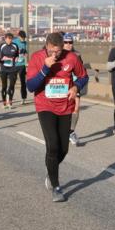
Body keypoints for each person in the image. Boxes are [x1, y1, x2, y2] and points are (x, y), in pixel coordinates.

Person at [26, 32, 87, 203]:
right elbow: (30, 86)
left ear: (62, 47)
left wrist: (76, 87)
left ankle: (50, 170)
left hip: (65, 107)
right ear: (46, 46)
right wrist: (45, 68)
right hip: (45, 106)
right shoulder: (37, 58)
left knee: (63, 149)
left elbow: (83, 76)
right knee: (52, 145)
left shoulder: (72, 58)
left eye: (58, 51)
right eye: (52, 51)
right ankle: (56, 186)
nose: (55, 54)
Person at [63, 33, 91, 145]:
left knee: (76, 107)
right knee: (63, 109)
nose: (68, 44)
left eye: (70, 42)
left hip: (74, 85)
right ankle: (61, 130)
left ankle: (71, 131)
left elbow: (81, 71)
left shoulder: (77, 55)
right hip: (62, 85)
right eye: (66, 42)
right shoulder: (58, 55)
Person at [0, 32, 21, 109]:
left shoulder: (15, 46)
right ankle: (4, 102)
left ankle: (10, 102)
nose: (9, 40)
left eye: (11, 39)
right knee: (4, 86)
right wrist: (2, 59)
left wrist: (17, 58)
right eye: (8, 39)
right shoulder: (1, 46)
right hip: (3, 68)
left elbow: (17, 55)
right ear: (5, 39)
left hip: (12, 68)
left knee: (12, 85)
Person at [12, 30, 29, 105]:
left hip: (22, 65)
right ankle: (10, 98)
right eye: (22, 38)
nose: (23, 39)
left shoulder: (25, 43)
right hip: (14, 65)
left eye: (24, 38)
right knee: (13, 82)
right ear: (19, 36)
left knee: (23, 82)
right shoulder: (14, 42)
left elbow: (25, 51)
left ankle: (23, 98)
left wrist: (25, 53)